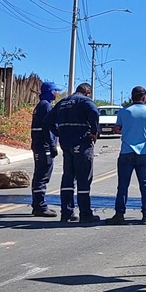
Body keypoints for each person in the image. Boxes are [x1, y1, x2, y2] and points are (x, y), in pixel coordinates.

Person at [44, 83, 100, 223]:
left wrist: (59, 132)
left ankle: (67, 212)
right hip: (82, 143)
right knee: (84, 179)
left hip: (66, 144)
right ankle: (85, 213)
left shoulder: (63, 102)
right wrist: (94, 132)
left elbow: (47, 121)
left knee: (68, 178)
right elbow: (94, 112)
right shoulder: (86, 101)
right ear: (88, 92)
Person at [107, 86, 146, 225]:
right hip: (143, 153)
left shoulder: (124, 112)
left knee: (123, 185)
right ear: (144, 97)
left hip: (127, 151)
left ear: (131, 97)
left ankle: (119, 214)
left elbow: (117, 128)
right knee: (145, 185)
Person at [30, 81, 63, 218]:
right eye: (55, 91)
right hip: (44, 146)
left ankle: (37, 205)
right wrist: (52, 145)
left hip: (38, 145)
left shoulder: (41, 105)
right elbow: (48, 128)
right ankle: (41, 207)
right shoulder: (46, 106)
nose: (57, 93)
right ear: (50, 91)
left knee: (38, 175)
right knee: (42, 176)